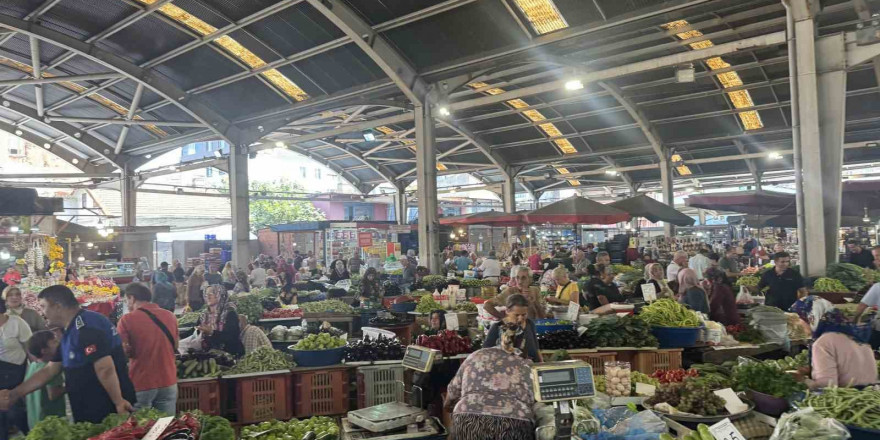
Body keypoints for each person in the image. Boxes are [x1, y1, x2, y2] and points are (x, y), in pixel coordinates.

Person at [0, 285, 135, 423]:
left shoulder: (86, 327)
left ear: (57, 306)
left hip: (106, 409)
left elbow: (104, 368)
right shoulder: (69, 330)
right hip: (88, 408)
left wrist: (118, 402)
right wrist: (14, 394)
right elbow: (50, 370)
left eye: (43, 306)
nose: (42, 312)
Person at [444, 321, 536, 440]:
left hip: (466, 418)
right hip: (514, 423)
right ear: (522, 343)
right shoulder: (526, 365)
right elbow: (537, 401)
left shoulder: (475, 356)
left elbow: (451, 396)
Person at [116, 283, 178, 415]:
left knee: (141, 430)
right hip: (168, 381)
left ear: (132, 298)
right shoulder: (170, 316)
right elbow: (176, 346)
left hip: (141, 383)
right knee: (166, 428)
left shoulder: (126, 320)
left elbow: (123, 352)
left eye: (127, 300)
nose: (127, 304)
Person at [807, 308, 877, 389]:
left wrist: (804, 381)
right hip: (873, 394)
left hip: (849, 397)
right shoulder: (860, 340)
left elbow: (827, 385)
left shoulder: (822, 342)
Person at [0, 297, 31, 438]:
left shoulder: (16, 323)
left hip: (16, 374)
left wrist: (33, 375)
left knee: (16, 411)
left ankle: (29, 433)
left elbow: (30, 350)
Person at [24, 330, 65, 430]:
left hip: (35, 419)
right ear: (44, 350)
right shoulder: (51, 369)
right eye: (54, 342)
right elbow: (53, 394)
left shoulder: (33, 366)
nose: (59, 344)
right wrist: (72, 385)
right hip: (51, 421)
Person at [483, 294, 541, 363]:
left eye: (524, 314)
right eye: (516, 315)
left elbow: (536, 347)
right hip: (509, 368)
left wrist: (541, 363)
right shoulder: (497, 327)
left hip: (532, 365)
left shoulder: (529, 323)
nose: (520, 318)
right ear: (507, 311)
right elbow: (486, 351)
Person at [197, 285, 244, 357]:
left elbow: (232, 336)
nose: (208, 297)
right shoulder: (203, 315)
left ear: (221, 295)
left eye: (212, 293)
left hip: (229, 354)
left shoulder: (229, 313)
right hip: (208, 354)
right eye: (206, 294)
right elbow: (196, 330)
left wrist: (212, 332)